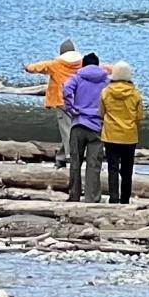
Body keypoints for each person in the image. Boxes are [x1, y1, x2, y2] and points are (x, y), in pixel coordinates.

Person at [23, 41, 83, 166]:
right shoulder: (81, 63)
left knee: (66, 130)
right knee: (72, 129)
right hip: (78, 101)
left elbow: (41, 66)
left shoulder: (56, 64)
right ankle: (61, 158)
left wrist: (28, 67)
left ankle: (70, 156)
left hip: (62, 101)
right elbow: (101, 68)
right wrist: (114, 69)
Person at [63, 53, 110, 204]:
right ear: (98, 65)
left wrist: (71, 108)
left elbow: (66, 89)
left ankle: (74, 195)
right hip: (97, 126)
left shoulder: (77, 78)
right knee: (94, 164)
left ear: (83, 65)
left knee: (75, 161)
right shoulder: (106, 81)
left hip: (78, 124)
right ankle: (92, 197)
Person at [101, 62, 145, 205]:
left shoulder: (106, 92)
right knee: (127, 171)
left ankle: (113, 198)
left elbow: (101, 113)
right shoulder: (135, 94)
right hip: (129, 136)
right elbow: (139, 116)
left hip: (110, 135)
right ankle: (125, 199)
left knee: (112, 168)